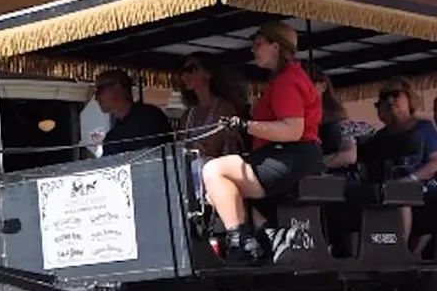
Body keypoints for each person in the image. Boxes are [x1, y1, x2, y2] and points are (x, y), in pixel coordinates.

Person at [202, 21, 323, 266]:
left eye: (258, 44)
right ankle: (267, 234)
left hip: (292, 155)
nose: (253, 50)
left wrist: (247, 125)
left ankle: (241, 242)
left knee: (213, 170)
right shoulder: (285, 79)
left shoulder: (287, 81)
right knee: (218, 192)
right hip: (289, 154)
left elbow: (292, 129)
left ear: (275, 47)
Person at [357, 77, 437, 243]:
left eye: (395, 94)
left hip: (423, 186)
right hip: (386, 187)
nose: (390, 100)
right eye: (385, 97)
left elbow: (434, 163)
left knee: (400, 194)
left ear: (409, 98)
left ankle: (402, 251)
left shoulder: (423, 128)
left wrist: (410, 179)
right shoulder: (378, 138)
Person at [177, 52, 249, 202]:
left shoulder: (224, 108)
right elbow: (180, 148)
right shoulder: (188, 115)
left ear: (208, 74)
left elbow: (216, 146)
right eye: (183, 71)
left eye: (192, 69)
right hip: (192, 178)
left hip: (220, 175)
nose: (185, 75)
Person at [89, 69, 174, 157]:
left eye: (100, 89)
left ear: (118, 87)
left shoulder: (149, 118)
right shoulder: (112, 135)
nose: (96, 97)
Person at [304, 61, 356, 171]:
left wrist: (317, 165)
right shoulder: (294, 122)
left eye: (307, 83)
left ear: (323, 86)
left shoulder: (338, 121)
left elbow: (349, 155)